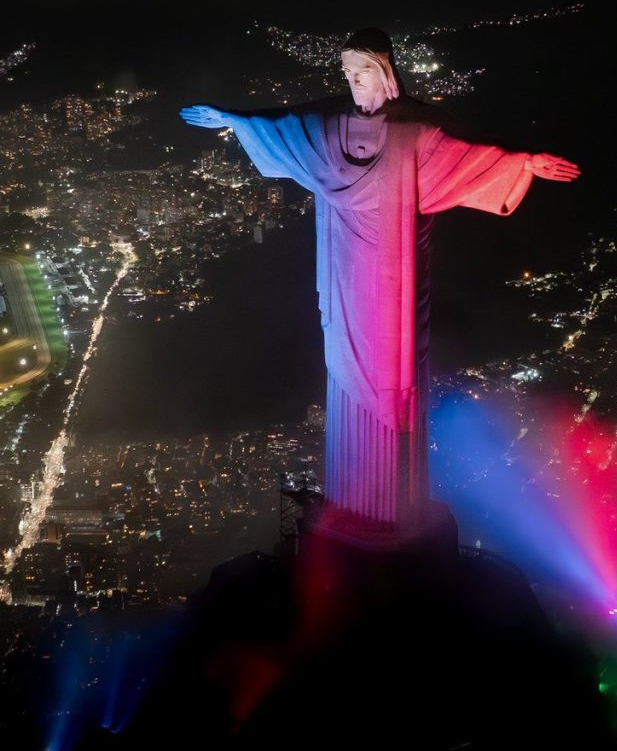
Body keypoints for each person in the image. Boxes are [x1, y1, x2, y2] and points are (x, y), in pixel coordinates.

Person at [179, 27, 580, 540]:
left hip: (395, 285)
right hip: (344, 278)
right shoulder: (328, 128)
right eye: (347, 73)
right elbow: (285, 126)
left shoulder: (416, 131)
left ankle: (391, 511)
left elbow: (472, 154)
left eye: (363, 71)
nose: (353, 82)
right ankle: (359, 505)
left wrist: (524, 161)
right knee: (344, 372)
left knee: (396, 380)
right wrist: (233, 120)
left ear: (386, 72)